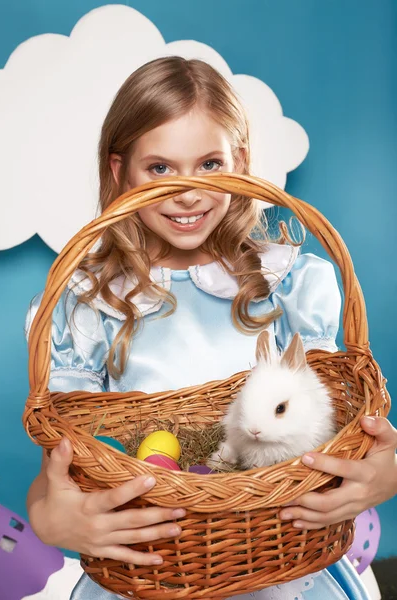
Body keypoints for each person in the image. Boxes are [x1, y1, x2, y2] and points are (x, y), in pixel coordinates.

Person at [25, 57, 397, 600]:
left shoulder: (289, 286)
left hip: (284, 564)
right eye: (159, 168)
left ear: (239, 163)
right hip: (155, 571)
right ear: (119, 172)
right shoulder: (92, 305)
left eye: (209, 163)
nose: (187, 192)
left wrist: (386, 475)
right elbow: (57, 472)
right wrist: (50, 519)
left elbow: (338, 430)